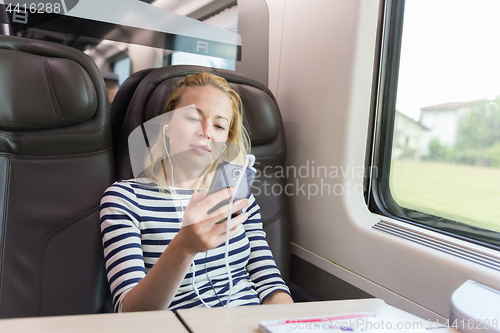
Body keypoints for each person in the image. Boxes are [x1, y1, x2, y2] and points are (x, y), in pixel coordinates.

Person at [100, 71, 293, 312]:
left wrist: (287, 323)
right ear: (167, 126)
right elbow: (129, 312)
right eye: (193, 118)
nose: (206, 131)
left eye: (219, 125)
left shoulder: (235, 197)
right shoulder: (125, 199)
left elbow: (270, 284)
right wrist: (184, 247)